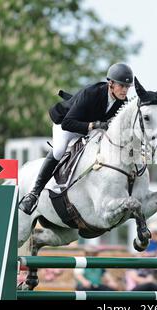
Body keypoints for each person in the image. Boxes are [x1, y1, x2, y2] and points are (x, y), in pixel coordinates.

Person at [19, 63, 134, 214]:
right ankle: (33, 193)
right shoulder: (91, 93)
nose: (125, 90)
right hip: (65, 124)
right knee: (59, 151)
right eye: (122, 86)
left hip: (90, 130)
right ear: (110, 83)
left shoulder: (122, 103)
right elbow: (68, 123)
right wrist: (94, 125)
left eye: (127, 86)